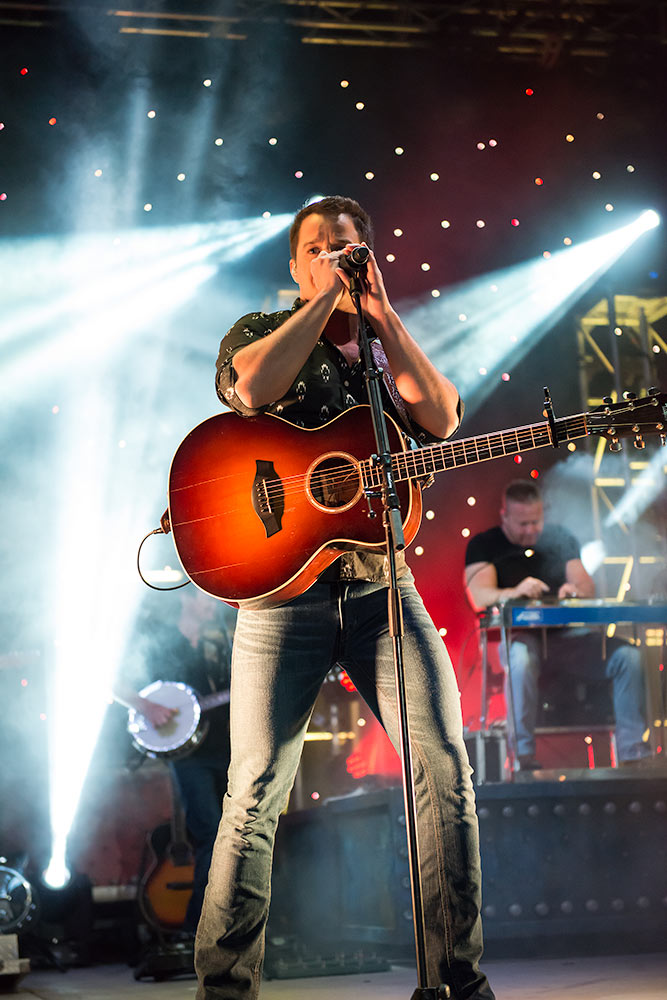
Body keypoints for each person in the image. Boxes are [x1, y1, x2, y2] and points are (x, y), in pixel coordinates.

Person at [195, 196, 495, 1000]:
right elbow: (250, 392)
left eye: (347, 245)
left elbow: (440, 415)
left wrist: (384, 318)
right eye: (317, 249)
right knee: (254, 789)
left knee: (444, 769)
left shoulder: (376, 351)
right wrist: (326, 300)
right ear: (294, 265)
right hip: (279, 597)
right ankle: (224, 988)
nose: (333, 254)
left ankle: (455, 982)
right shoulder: (257, 330)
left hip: (379, 588)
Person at [464, 479, 651, 771]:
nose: (530, 530)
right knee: (522, 658)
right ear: (505, 517)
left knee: (629, 657)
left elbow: (585, 586)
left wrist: (573, 591)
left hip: (566, 642)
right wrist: (515, 592)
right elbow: (479, 597)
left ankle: (634, 754)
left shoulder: (559, 538)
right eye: (523, 523)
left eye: (535, 522)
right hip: (517, 641)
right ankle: (523, 758)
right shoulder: (484, 545)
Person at [114, 588, 233, 936]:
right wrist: (146, 706)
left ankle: (227, 923)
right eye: (206, 599)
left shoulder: (217, 647)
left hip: (224, 751)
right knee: (210, 833)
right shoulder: (160, 644)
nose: (213, 605)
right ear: (186, 600)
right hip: (189, 758)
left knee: (234, 835)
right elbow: (114, 682)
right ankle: (198, 927)